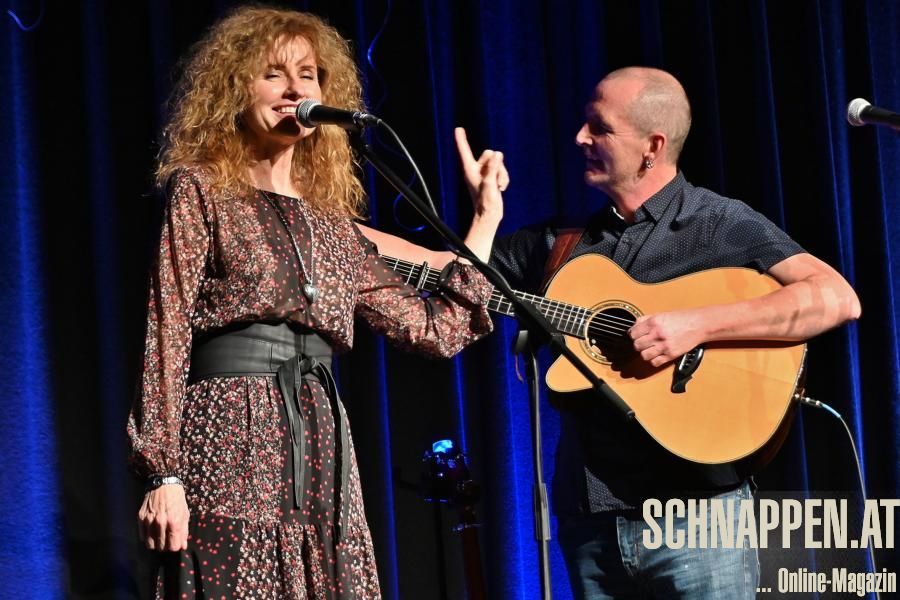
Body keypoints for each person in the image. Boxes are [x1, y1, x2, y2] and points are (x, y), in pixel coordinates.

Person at [368, 67, 861, 598]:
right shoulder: (560, 245)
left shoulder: (716, 223)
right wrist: (327, 228)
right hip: (592, 525)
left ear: (653, 146)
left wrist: (695, 325)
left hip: (699, 517)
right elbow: (446, 272)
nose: (580, 138)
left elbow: (837, 298)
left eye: (599, 128)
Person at [126, 6, 506, 598]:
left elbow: (433, 330)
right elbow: (166, 331)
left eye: (308, 74)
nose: (295, 89)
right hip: (229, 433)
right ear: (236, 87)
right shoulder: (201, 189)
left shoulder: (330, 223)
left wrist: (484, 220)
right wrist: (163, 472)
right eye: (274, 73)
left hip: (322, 439)